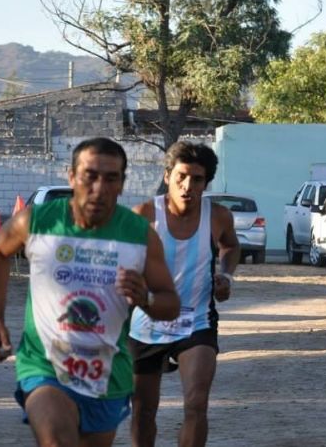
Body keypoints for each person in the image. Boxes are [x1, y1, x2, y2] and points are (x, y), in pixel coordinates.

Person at [0, 137, 180, 446]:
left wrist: (146, 298)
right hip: (44, 363)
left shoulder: (140, 235)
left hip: (107, 374)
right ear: (72, 176)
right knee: (57, 441)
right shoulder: (37, 221)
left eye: (111, 178)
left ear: (122, 184)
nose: (99, 188)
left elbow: (170, 305)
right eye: (90, 176)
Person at [128, 141, 240, 447]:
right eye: (181, 176)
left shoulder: (218, 216)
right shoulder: (144, 215)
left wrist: (226, 275)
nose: (188, 186)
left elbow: (231, 246)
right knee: (143, 412)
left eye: (197, 179)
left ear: (207, 183)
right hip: (146, 324)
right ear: (168, 176)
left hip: (196, 321)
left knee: (196, 405)